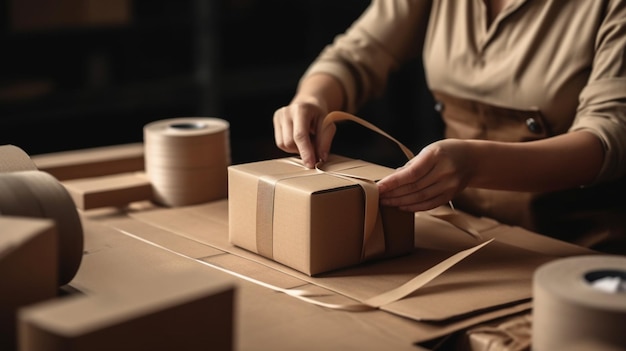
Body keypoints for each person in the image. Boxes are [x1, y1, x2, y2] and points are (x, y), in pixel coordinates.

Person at [272, 0, 626, 254]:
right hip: (466, 237)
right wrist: (313, 100)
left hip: (575, 250)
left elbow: (609, 137)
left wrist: (475, 164)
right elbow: (354, 56)